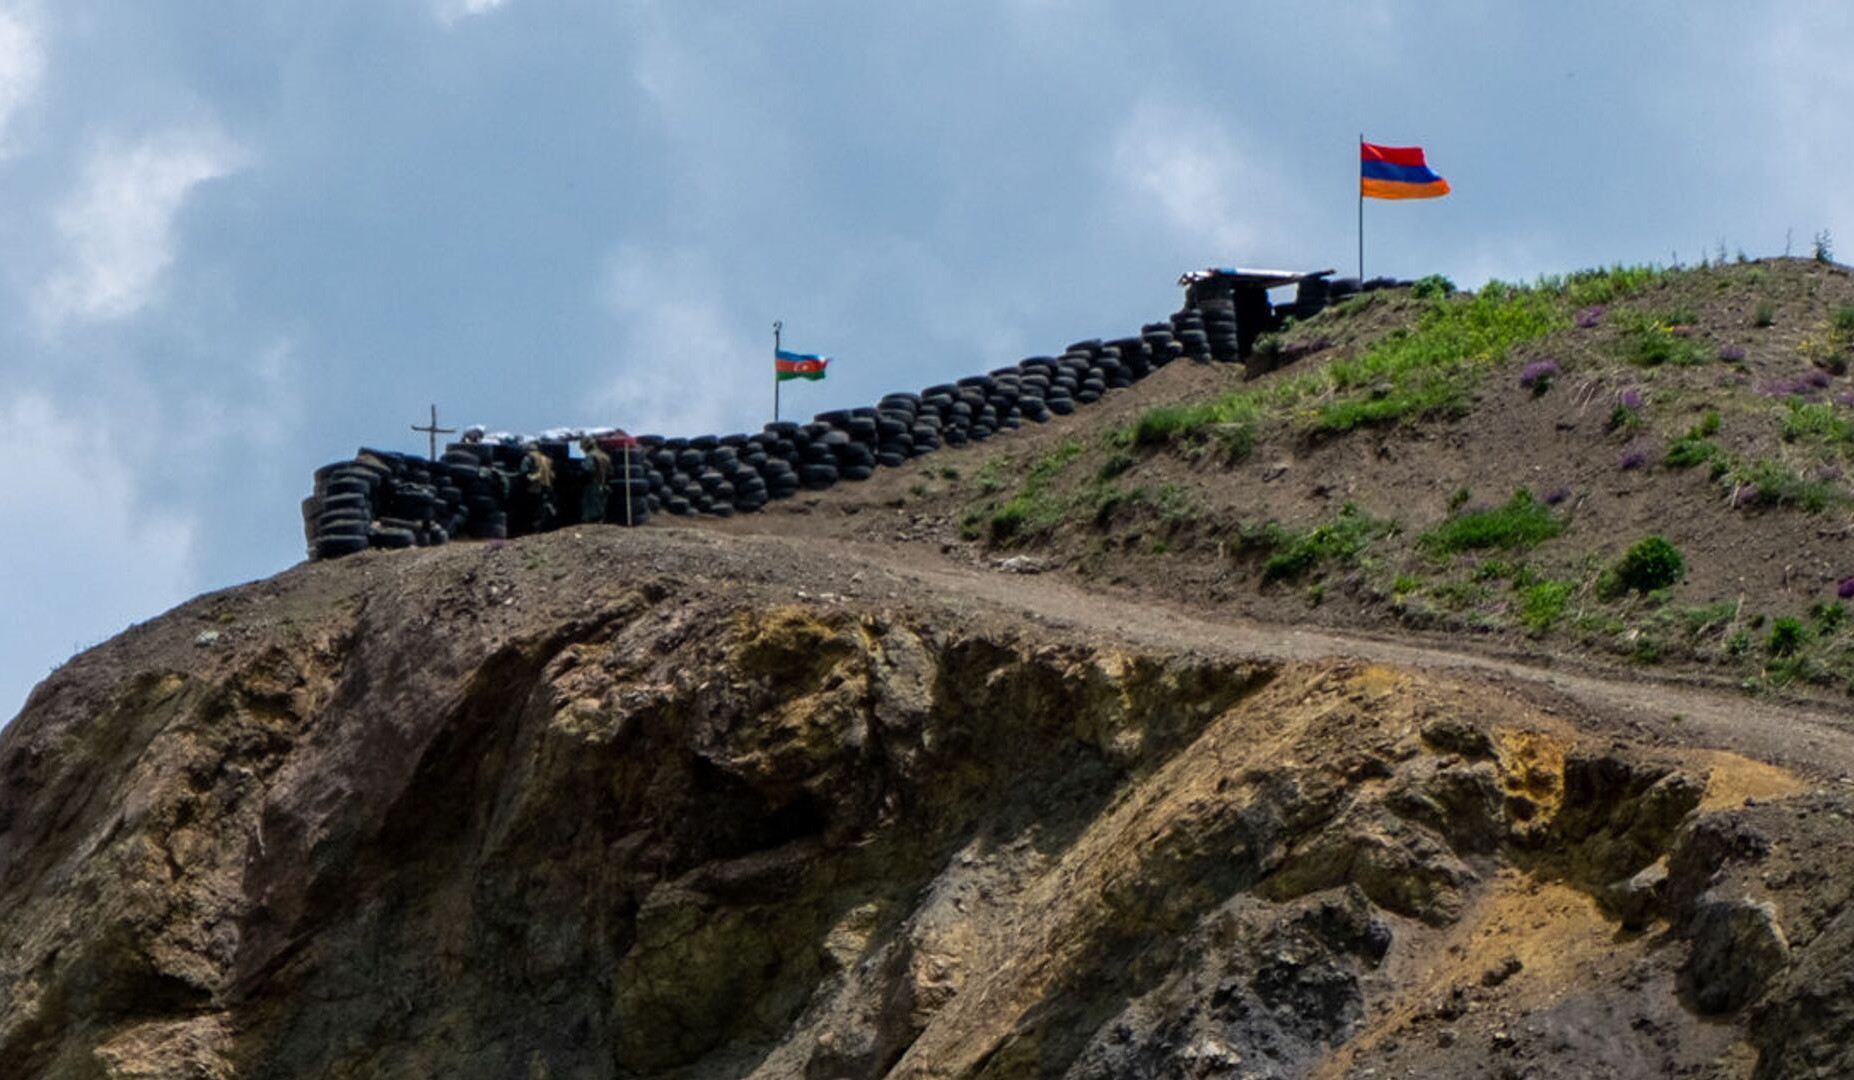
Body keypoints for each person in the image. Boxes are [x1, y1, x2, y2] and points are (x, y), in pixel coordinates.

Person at [520, 441, 557, 532]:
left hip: (533, 487)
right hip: (547, 486)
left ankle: (533, 529)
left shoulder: (528, 458)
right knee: (544, 507)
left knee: (532, 509)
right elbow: (552, 475)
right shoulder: (546, 459)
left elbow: (523, 472)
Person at [579, 437, 612, 523]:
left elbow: (587, 470)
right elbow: (610, 472)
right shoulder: (605, 456)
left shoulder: (590, 456)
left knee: (591, 509)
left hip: (592, 484)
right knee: (600, 506)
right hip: (603, 484)